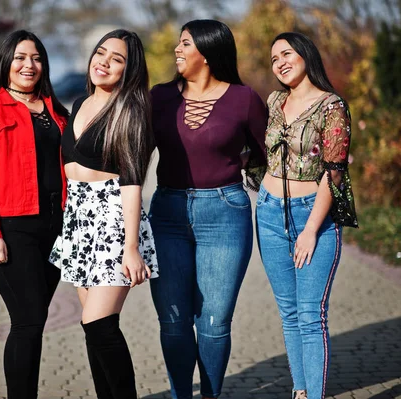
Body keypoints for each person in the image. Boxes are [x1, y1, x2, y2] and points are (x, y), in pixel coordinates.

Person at [149, 19, 268, 399]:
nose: (177, 50)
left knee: (214, 323)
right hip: (167, 213)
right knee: (174, 322)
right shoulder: (160, 96)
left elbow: (269, 153)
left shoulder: (243, 98)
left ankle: (210, 396)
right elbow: (132, 152)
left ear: (207, 51)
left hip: (225, 214)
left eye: (185, 44)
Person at [49, 29, 158, 399]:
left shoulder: (131, 111)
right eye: (101, 53)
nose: (104, 62)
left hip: (113, 219)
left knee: (98, 326)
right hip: (80, 219)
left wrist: (131, 248)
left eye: (117, 59)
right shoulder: (79, 104)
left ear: (129, 70)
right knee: (94, 327)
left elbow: (131, 182)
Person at [0, 30, 69, 399]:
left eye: (37, 58)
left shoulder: (56, 110)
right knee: (27, 321)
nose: (29, 65)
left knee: (34, 322)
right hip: (11, 229)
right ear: (6, 62)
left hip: (55, 228)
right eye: (21, 57)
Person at [257, 32, 359, 399]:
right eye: (273, 59)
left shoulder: (332, 106)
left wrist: (311, 229)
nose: (280, 62)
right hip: (268, 213)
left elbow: (334, 174)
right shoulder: (274, 101)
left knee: (310, 316)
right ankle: (299, 391)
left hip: (311, 217)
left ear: (305, 55)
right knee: (288, 313)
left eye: (286, 53)